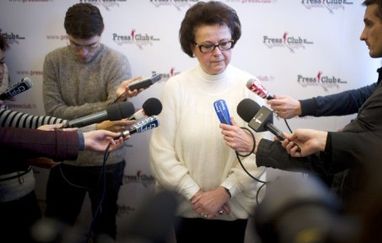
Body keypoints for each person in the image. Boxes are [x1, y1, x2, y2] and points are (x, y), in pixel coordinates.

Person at [221, 0, 382, 204]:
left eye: (369, 24)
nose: (362, 35)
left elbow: (332, 157)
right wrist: (301, 107)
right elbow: (358, 98)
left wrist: (256, 146)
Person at [149, 2, 268, 243]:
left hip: (234, 208)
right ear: (192, 47)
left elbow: (263, 149)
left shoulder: (250, 86)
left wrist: (225, 191)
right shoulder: (175, 87)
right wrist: (196, 195)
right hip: (187, 208)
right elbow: (161, 152)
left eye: (225, 43)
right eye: (207, 46)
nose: (218, 53)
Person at [42, 3, 136, 240]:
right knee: (55, 229)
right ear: (67, 35)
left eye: (91, 45)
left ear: (101, 33)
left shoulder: (116, 60)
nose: (83, 52)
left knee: (104, 231)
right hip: (65, 156)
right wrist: (108, 104)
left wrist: (75, 115)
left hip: (107, 157)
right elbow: (54, 112)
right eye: (75, 44)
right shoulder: (53, 60)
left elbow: (119, 114)